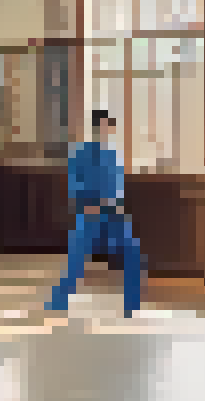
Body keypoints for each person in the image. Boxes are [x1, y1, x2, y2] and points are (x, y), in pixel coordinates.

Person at [42, 109, 142, 321]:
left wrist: (119, 206)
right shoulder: (81, 153)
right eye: (104, 126)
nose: (107, 130)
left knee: (132, 251)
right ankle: (58, 300)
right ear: (96, 128)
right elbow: (74, 184)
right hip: (89, 215)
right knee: (77, 260)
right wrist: (87, 204)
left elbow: (118, 185)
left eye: (109, 126)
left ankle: (132, 304)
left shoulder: (114, 154)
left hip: (114, 215)